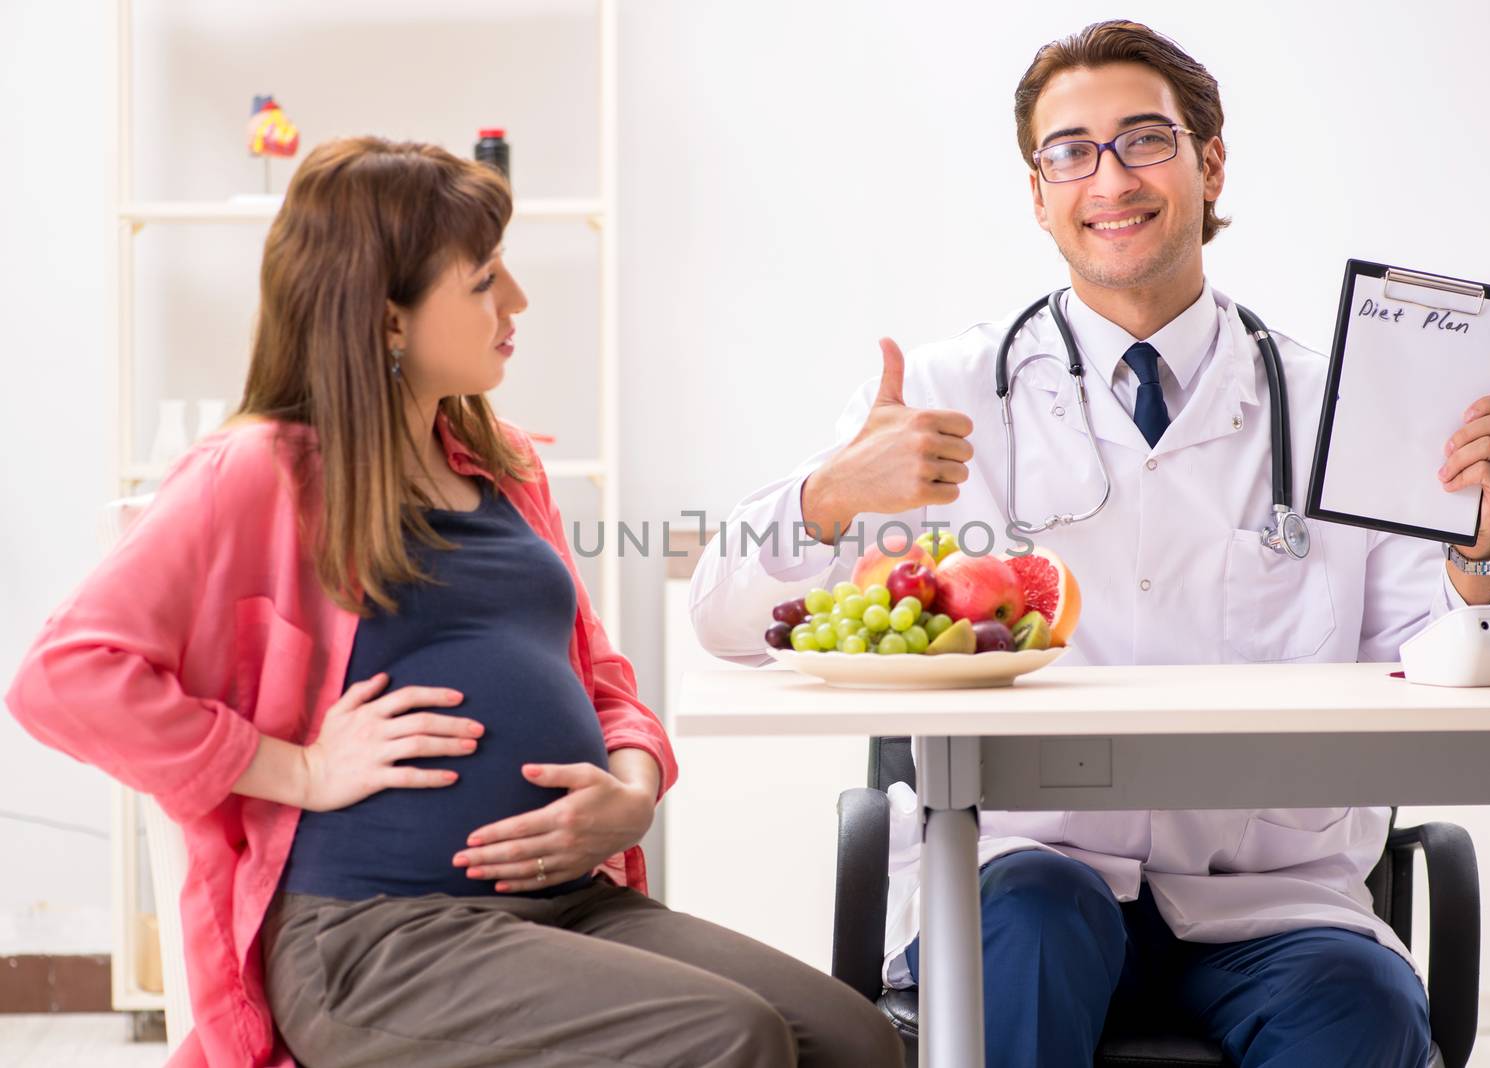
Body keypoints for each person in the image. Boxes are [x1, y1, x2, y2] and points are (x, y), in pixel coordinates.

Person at [689, 21, 1490, 1068]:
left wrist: (1477, 551)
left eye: (1143, 139)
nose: (1108, 178)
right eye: (1068, 151)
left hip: (1275, 899)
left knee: (1357, 1006)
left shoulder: (1335, 408)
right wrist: (825, 498)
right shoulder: (941, 398)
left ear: (1207, 162)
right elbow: (723, 624)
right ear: (1037, 192)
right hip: (1025, 870)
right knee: (1028, 925)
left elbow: (1437, 668)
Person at [6, 137, 900, 1068]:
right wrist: (298, 771)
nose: (515, 302)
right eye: (482, 281)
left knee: (854, 1040)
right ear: (387, 319)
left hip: (569, 906)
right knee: (729, 1039)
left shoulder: (506, 466)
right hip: (377, 936)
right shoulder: (260, 473)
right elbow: (63, 678)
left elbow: (602, 678)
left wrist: (633, 791)